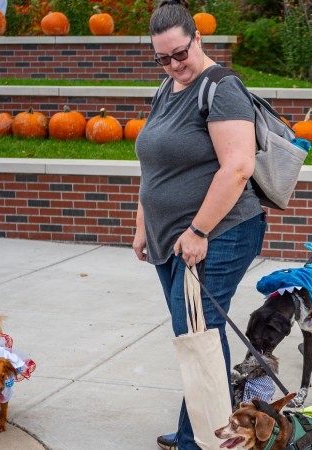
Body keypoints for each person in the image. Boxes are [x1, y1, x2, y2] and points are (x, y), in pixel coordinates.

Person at [131, 1, 266, 449]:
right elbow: (153, 168)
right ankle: (200, 430)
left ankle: (206, 441)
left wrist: (200, 230)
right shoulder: (165, 89)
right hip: (170, 238)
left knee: (200, 334)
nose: (173, 65)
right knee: (194, 336)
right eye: (162, 58)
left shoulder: (222, 88)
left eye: (179, 54)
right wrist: (142, 225)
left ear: (198, 39)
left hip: (221, 232)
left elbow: (237, 168)